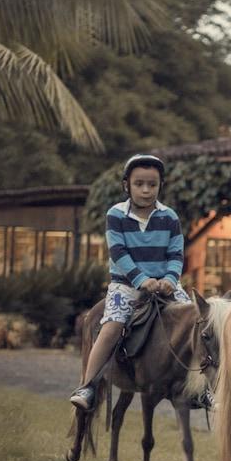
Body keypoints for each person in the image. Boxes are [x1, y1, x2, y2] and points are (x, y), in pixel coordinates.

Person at [69, 154, 191, 411]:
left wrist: (170, 278)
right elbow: (119, 253)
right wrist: (141, 279)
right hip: (126, 286)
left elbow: (176, 254)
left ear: (160, 186)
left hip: (165, 285)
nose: (146, 190)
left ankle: (201, 387)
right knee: (111, 326)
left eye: (152, 184)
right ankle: (88, 385)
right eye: (139, 184)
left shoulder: (169, 217)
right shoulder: (116, 214)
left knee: (196, 319)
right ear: (127, 185)